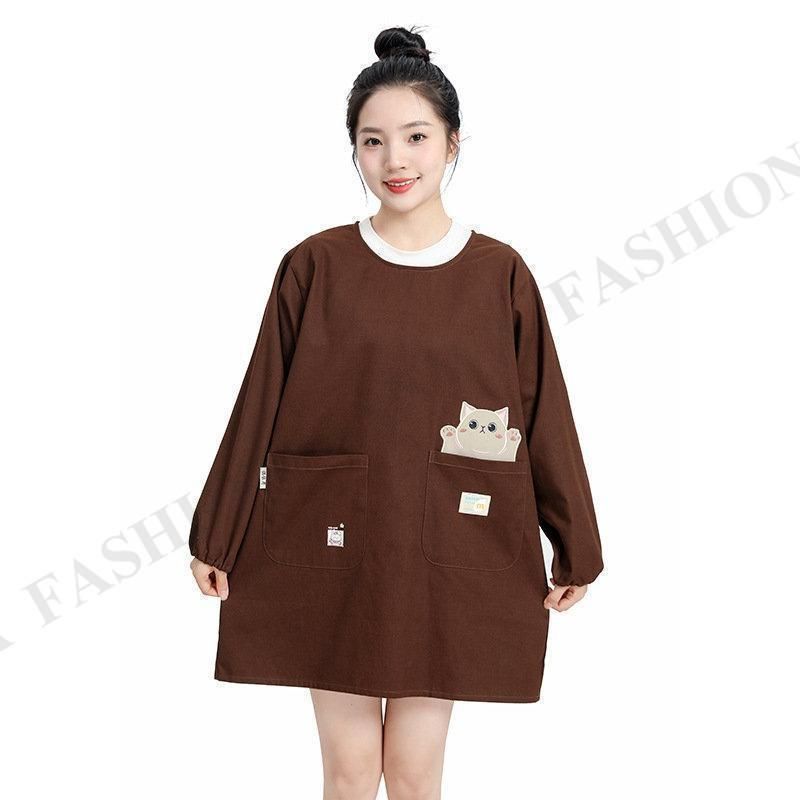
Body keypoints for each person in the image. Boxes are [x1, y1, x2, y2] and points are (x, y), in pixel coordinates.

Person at [189, 25, 604, 799]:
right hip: (332, 536)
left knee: (414, 773)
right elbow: (259, 400)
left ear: (452, 143)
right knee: (350, 772)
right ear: (354, 151)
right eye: (372, 141)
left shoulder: (499, 273)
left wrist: (574, 542)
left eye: (416, 136)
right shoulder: (315, 265)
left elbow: (543, 409)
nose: (395, 160)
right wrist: (216, 532)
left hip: (445, 542)